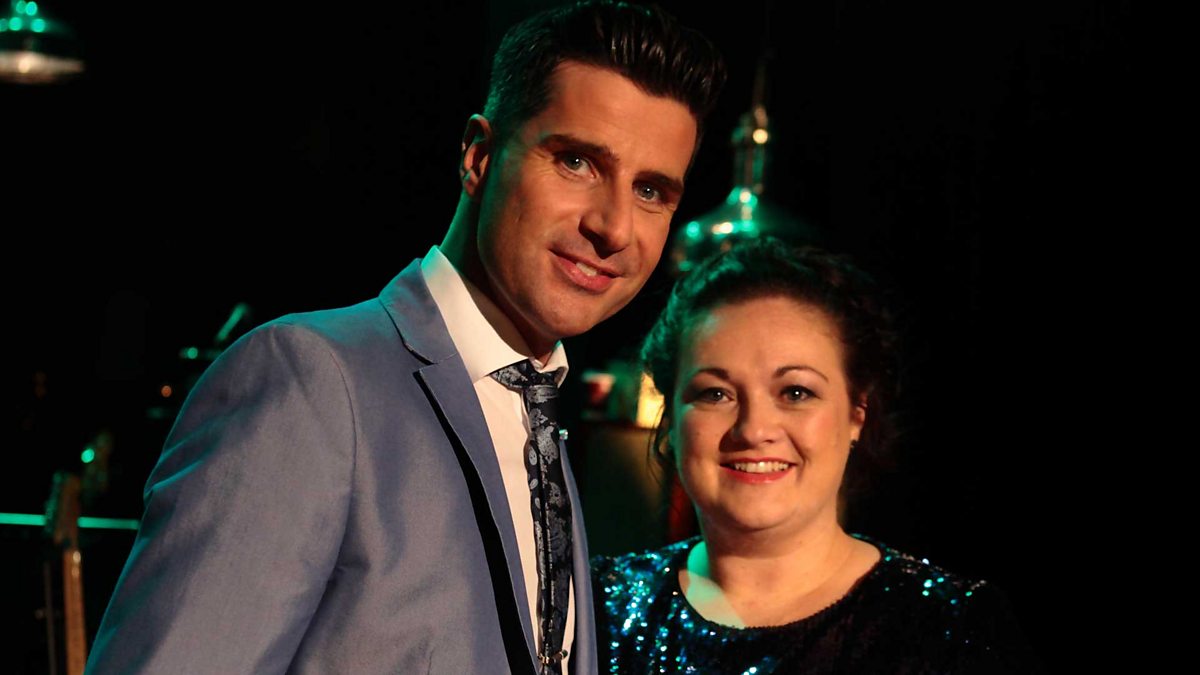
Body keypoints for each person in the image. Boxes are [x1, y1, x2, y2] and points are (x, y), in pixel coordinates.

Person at [85, 2, 725, 673]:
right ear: (478, 157)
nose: (615, 226)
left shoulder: (540, 418)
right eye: (576, 161)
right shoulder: (312, 380)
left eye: (651, 191)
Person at [592, 237, 1041, 674]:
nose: (754, 429)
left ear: (857, 413)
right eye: (716, 393)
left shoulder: (950, 627)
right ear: (671, 417)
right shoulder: (594, 607)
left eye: (795, 392)